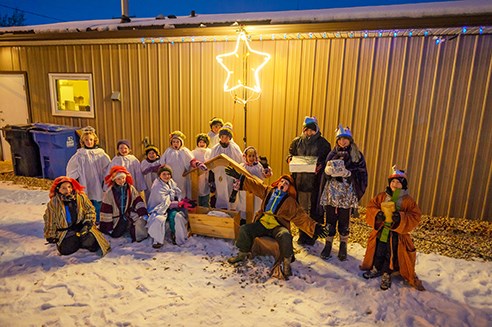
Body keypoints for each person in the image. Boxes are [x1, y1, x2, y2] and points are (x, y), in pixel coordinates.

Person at [225, 166, 329, 280]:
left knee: (285, 235)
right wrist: (240, 177)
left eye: (286, 184)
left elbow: (300, 217)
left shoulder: (290, 202)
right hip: (262, 223)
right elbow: (255, 185)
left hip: (277, 226)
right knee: (245, 229)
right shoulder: (268, 191)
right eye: (282, 181)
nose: (283, 184)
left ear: (288, 188)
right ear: (278, 183)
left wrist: (315, 227)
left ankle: (286, 262)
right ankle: (242, 253)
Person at [360, 165, 425, 291]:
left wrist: (400, 218)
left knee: (391, 253)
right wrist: (377, 214)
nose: (395, 184)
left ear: (403, 185)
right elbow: (370, 207)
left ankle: (387, 273)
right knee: (379, 250)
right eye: (393, 181)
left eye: (398, 182)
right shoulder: (381, 196)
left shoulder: (408, 201)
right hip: (381, 231)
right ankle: (376, 268)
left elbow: (415, 216)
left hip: (397, 234)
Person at [319, 125, 368, 261]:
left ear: (350, 140)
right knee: (330, 218)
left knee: (344, 219)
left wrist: (349, 173)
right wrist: (327, 172)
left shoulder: (356, 155)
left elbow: (362, 172)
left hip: (346, 194)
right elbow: (325, 170)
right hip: (332, 193)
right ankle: (328, 244)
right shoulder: (332, 153)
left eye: (345, 139)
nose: (342, 142)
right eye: (340, 139)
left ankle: (343, 245)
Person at [287, 116, 331, 246]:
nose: (309, 132)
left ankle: (312, 234)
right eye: (306, 130)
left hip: (314, 183)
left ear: (316, 129)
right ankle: (302, 233)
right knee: (301, 209)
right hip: (300, 181)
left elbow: (327, 160)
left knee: (313, 209)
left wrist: (320, 166)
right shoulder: (296, 142)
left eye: (312, 130)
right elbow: (291, 154)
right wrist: (289, 159)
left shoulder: (323, 144)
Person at [43, 176, 111, 256]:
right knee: (66, 250)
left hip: (82, 226)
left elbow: (90, 210)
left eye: (69, 187)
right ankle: (75, 240)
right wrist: (50, 235)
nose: (67, 190)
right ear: (58, 189)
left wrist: (88, 222)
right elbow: (50, 220)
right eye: (64, 188)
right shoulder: (54, 203)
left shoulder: (81, 197)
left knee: (92, 244)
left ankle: (83, 239)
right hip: (66, 230)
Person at [66, 126, 111, 223]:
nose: (89, 142)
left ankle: (98, 219)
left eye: (91, 139)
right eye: (86, 140)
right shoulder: (79, 155)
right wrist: (74, 181)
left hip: (98, 182)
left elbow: (108, 168)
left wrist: (106, 180)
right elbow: (71, 168)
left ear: (95, 140)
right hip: (85, 181)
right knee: (87, 201)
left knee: (98, 201)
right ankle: (88, 220)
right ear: (83, 141)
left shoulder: (101, 154)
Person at [99, 166, 149, 242]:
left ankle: (137, 235)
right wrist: (108, 226)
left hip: (128, 213)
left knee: (140, 223)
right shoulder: (109, 192)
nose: (121, 181)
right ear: (114, 180)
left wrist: (142, 213)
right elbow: (106, 210)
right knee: (115, 234)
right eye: (118, 179)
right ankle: (122, 226)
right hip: (116, 217)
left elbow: (137, 200)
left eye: (123, 178)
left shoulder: (130, 188)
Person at [146, 164, 189, 248]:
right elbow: (161, 202)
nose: (166, 176)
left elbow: (176, 194)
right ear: (159, 175)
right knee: (158, 219)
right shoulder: (157, 186)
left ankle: (176, 236)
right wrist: (177, 204)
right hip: (158, 209)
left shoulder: (172, 183)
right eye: (164, 174)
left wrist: (181, 200)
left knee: (177, 217)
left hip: (170, 208)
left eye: (168, 174)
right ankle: (157, 240)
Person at [159, 131, 206, 200]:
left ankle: (181, 202)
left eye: (177, 142)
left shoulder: (184, 151)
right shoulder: (168, 151)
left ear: (181, 143)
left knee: (181, 189)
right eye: (174, 142)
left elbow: (191, 161)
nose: (175, 143)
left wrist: (198, 164)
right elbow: (162, 163)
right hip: (170, 175)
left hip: (182, 175)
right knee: (171, 189)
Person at [234, 146, 273, 223]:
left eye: (253, 156)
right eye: (249, 156)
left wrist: (266, 168)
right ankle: (243, 222)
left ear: (256, 156)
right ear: (245, 156)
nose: (251, 158)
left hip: (256, 192)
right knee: (243, 207)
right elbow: (237, 179)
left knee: (256, 207)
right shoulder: (242, 166)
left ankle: (255, 222)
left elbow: (267, 174)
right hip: (245, 193)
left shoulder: (259, 166)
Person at [209, 123, 243, 209]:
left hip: (230, 174)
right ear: (220, 137)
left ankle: (232, 208)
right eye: (222, 137)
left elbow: (239, 160)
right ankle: (221, 208)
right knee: (221, 191)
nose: (224, 139)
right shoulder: (215, 148)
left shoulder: (234, 148)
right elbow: (211, 161)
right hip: (219, 173)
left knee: (230, 190)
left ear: (229, 138)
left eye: (226, 137)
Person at [191, 133, 212, 207]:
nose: (202, 144)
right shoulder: (193, 152)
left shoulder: (210, 151)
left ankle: (205, 208)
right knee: (197, 192)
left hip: (207, 175)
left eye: (204, 142)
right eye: (200, 142)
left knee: (206, 192)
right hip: (197, 176)